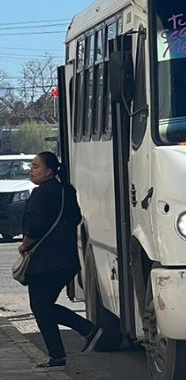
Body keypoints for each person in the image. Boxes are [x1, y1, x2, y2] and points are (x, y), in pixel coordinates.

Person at [18, 152, 103, 372]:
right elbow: (75, 219)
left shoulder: (41, 194)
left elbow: (34, 228)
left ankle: (80, 335)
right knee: (44, 306)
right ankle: (65, 349)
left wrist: (24, 245)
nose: (31, 170)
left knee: (40, 306)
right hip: (66, 260)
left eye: (36, 167)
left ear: (48, 171)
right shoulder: (67, 190)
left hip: (44, 262)